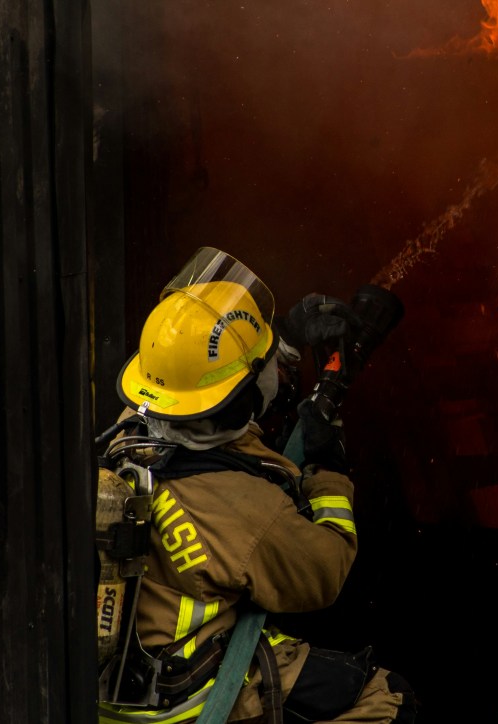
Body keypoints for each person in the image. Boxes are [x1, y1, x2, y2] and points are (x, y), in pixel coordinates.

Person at [97, 247, 416, 724]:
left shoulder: (130, 428)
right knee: (389, 698)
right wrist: (330, 467)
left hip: (117, 691)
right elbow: (325, 572)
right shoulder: (251, 514)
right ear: (235, 400)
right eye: (263, 361)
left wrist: (283, 336)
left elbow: (213, 395)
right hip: (188, 699)